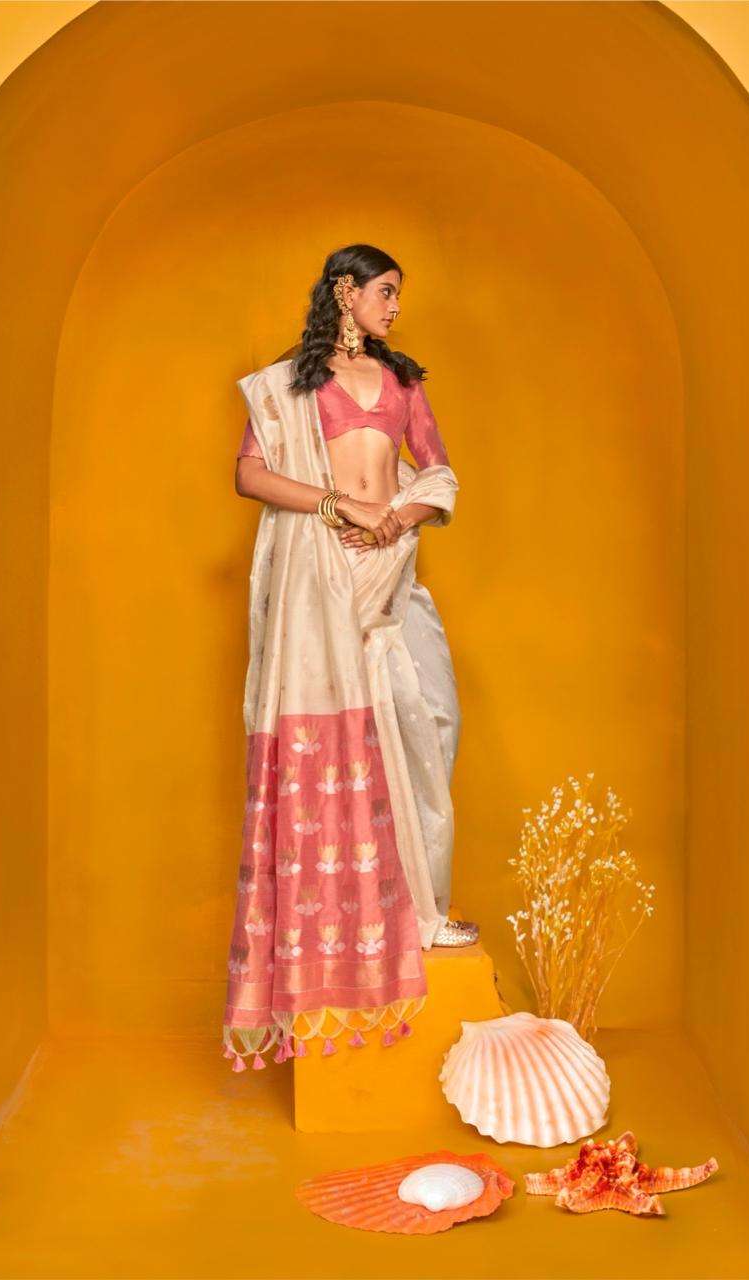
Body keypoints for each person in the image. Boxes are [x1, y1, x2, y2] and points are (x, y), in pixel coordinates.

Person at [222, 244, 477, 1072]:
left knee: (431, 720)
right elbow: (250, 476)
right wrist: (340, 507)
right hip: (324, 581)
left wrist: (398, 518)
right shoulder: (291, 385)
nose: (395, 307)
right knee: (352, 743)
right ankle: (369, 920)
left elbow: (437, 471)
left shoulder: (403, 381)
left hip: (392, 571)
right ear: (346, 291)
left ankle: (426, 904)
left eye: (398, 295)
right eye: (386, 291)